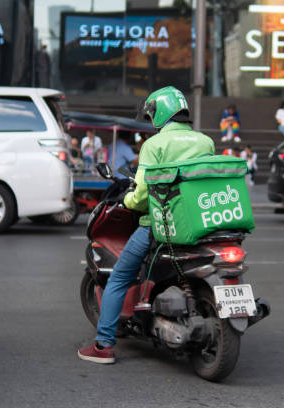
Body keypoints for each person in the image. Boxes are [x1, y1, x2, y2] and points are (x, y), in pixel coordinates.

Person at [77, 86, 215, 364]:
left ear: (160, 114)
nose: (151, 120)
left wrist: (127, 201)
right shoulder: (205, 141)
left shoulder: (154, 145)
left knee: (118, 278)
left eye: (152, 114)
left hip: (160, 225)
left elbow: (142, 195)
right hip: (200, 222)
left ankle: (103, 345)